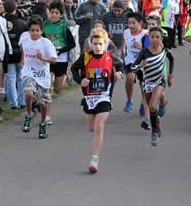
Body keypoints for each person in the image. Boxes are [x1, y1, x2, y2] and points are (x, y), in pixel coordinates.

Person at [71, 27, 124, 173]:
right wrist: (80, 80)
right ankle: (97, 145)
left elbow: (121, 66)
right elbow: (74, 69)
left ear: (105, 43)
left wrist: (119, 74)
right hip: (89, 97)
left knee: (99, 126)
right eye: (95, 44)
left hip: (104, 97)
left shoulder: (110, 57)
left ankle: (95, 159)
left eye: (100, 44)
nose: (97, 47)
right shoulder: (86, 57)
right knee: (92, 128)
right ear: (90, 43)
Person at [131, 27, 174, 146]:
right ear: (148, 38)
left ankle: (154, 132)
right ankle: (157, 124)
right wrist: (141, 65)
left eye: (157, 37)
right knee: (152, 109)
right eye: (152, 37)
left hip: (160, 82)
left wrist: (170, 75)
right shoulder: (144, 52)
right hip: (147, 83)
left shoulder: (164, 51)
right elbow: (132, 68)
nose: (154, 39)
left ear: (161, 39)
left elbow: (171, 59)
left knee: (153, 106)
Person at [19, 16, 57, 139]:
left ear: (41, 31)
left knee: (43, 103)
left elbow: (53, 60)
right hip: (28, 72)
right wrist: (22, 60)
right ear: (28, 31)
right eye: (32, 30)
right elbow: (23, 50)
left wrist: (42, 58)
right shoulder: (25, 40)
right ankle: (29, 114)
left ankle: (42, 123)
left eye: (37, 30)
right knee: (29, 93)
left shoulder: (46, 43)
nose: (35, 33)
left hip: (42, 76)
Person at [44, 1, 76, 98]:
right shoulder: (44, 25)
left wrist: (59, 51)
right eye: (52, 12)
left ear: (61, 15)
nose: (53, 15)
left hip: (61, 59)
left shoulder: (64, 26)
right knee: (46, 85)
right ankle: (46, 99)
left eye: (56, 13)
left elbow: (72, 44)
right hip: (48, 58)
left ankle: (66, 73)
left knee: (57, 90)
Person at [4, 0, 28, 110]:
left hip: (8, 54)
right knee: (20, 78)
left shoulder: (1, 22)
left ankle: (13, 103)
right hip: (20, 53)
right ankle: (22, 101)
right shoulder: (22, 22)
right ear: (16, 8)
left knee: (10, 78)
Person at [121, 12, 146, 113]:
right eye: (129, 23)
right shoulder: (126, 32)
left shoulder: (145, 34)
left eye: (133, 23)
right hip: (130, 60)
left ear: (140, 23)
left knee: (142, 84)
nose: (130, 25)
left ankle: (144, 103)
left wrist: (141, 47)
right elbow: (123, 41)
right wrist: (123, 51)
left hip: (142, 62)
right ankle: (129, 101)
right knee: (130, 78)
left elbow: (150, 50)